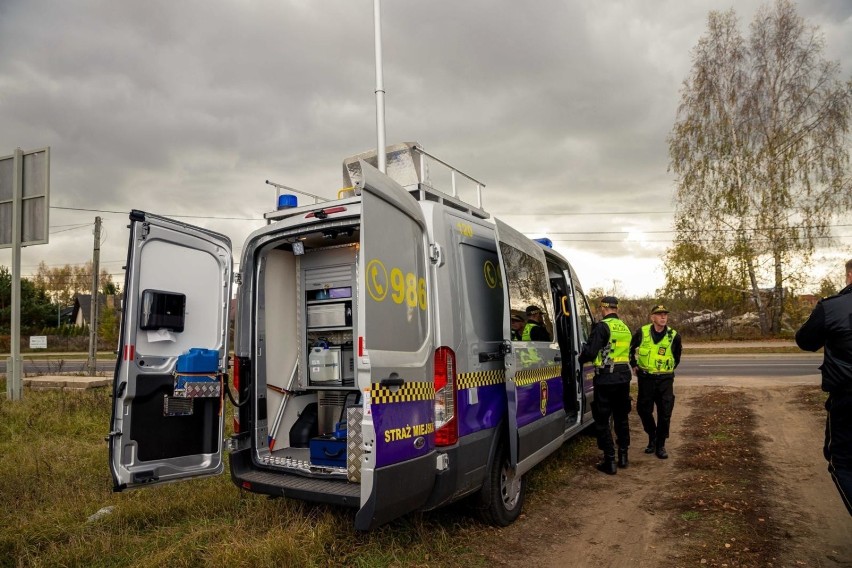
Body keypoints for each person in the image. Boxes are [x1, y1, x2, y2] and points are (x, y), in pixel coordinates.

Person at [795, 259, 852, 516]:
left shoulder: (833, 307)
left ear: (849, 276)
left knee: (842, 462)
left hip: (847, 400)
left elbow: (805, 341)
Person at [579, 296, 632, 474]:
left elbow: (591, 351)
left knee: (602, 420)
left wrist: (580, 356)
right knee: (621, 418)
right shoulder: (625, 328)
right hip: (623, 378)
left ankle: (609, 461)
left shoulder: (603, 326)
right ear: (616, 308)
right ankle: (623, 456)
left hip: (606, 379)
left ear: (603, 308)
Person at [630, 304, 682, 460]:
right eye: (659, 314)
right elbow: (631, 349)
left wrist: (666, 370)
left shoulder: (674, 336)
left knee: (665, 412)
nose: (663, 317)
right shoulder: (642, 332)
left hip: (665, 380)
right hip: (646, 379)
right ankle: (652, 436)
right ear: (652, 317)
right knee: (643, 410)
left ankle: (660, 445)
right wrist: (633, 364)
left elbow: (677, 357)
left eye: (665, 314)